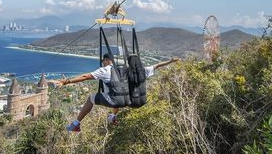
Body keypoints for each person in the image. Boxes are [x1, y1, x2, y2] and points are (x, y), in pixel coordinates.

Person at [51, 54, 180, 132]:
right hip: (127, 101)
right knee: (118, 91)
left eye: (103, 61)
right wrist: (170, 61)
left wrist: (65, 81)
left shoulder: (106, 70)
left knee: (91, 98)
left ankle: (76, 124)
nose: (103, 63)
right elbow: (156, 66)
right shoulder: (130, 71)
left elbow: (85, 76)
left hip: (117, 101)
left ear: (106, 61)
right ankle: (113, 117)